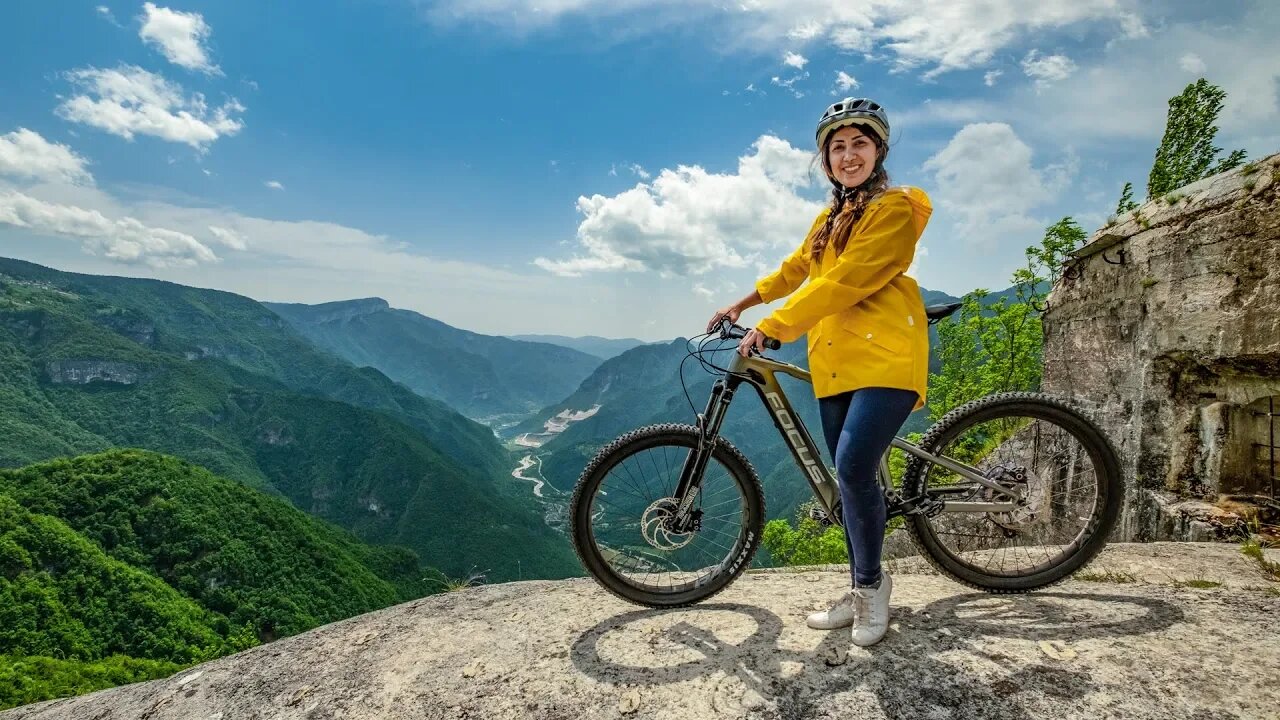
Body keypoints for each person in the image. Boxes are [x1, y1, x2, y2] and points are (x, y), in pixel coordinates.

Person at [706, 97, 931, 647]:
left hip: (886, 355)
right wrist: (744, 301)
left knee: (854, 468)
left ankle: (873, 590)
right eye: (838, 147)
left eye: (860, 143)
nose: (849, 155)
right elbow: (798, 269)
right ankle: (860, 586)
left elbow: (846, 281)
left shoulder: (895, 208)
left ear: (878, 151)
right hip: (837, 360)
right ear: (826, 161)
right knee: (848, 483)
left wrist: (777, 325)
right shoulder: (831, 218)